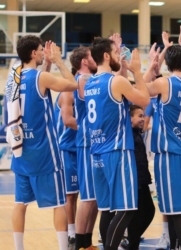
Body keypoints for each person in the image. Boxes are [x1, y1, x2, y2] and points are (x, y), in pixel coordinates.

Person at [8, 36, 78, 250]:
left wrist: (46, 63)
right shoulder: (41, 78)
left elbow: (38, 87)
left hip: (21, 151)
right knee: (58, 204)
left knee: (20, 204)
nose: (42, 52)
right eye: (40, 50)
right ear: (32, 53)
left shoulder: (14, 78)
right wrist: (58, 61)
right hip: (44, 152)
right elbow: (73, 84)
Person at [84, 36, 150, 250]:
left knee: (108, 209)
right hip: (117, 152)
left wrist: (121, 63)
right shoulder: (117, 82)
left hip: (97, 154)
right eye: (115, 53)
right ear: (105, 55)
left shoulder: (90, 83)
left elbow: (116, 93)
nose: (118, 57)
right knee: (128, 209)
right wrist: (137, 71)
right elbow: (145, 100)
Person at [146, 29, 181, 249]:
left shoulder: (164, 83)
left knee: (174, 210)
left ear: (166, 62)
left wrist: (149, 65)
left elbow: (139, 89)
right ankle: (178, 245)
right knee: (180, 207)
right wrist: (173, 48)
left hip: (169, 152)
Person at [69, 46, 99, 250]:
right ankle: (79, 243)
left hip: (97, 142)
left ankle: (87, 242)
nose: (96, 58)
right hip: (87, 143)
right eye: (92, 56)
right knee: (87, 198)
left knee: (95, 199)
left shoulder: (93, 79)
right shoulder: (81, 79)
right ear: (84, 62)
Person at [119, 105, 156, 250]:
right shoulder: (128, 134)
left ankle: (130, 242)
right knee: (139, 215)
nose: (143, 119)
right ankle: (130, 243)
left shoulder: (137, 133)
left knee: (148, 212)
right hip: (135, 181)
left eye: (143, 116)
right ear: (129, 118)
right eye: (139, 116)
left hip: (142, 179)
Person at [54, 89, 79, 250]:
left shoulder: (85, 92)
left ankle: (75, 231)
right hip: (65, 150)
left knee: (76, 196)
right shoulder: (67, 93)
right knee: (69, 196)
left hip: (78, 149)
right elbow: (67, 121)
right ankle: (70, 234)